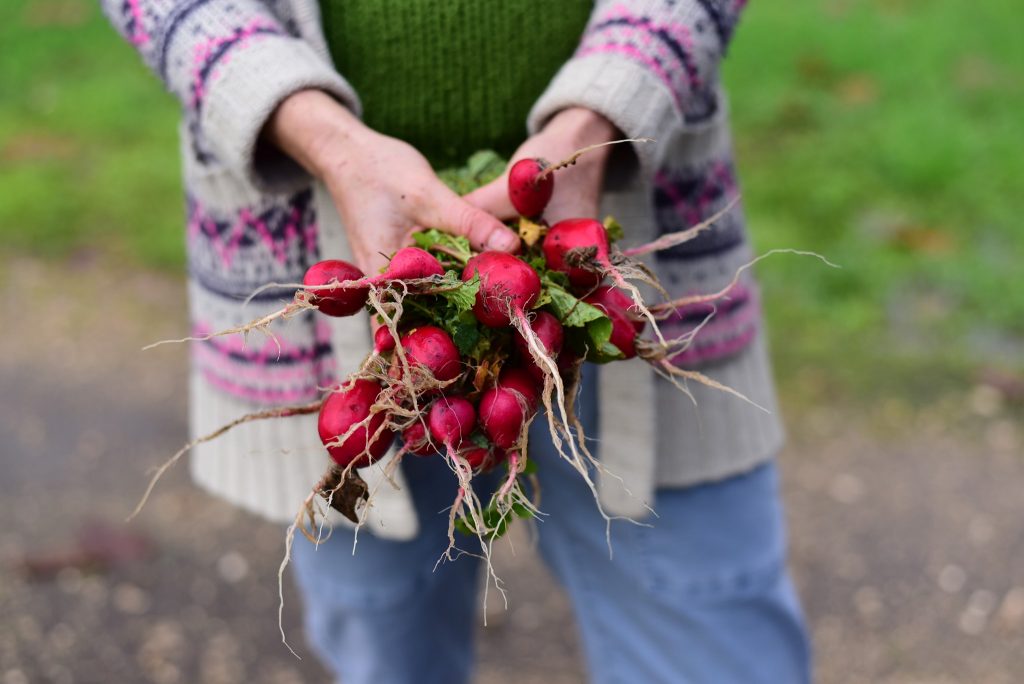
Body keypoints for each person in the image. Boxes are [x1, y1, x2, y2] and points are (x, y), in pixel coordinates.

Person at [103, 1, 812, 682]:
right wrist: (320, 136)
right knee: (383, 643)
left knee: (715, 635)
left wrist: (604, 115)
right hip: (322, 300)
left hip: (634, 212)